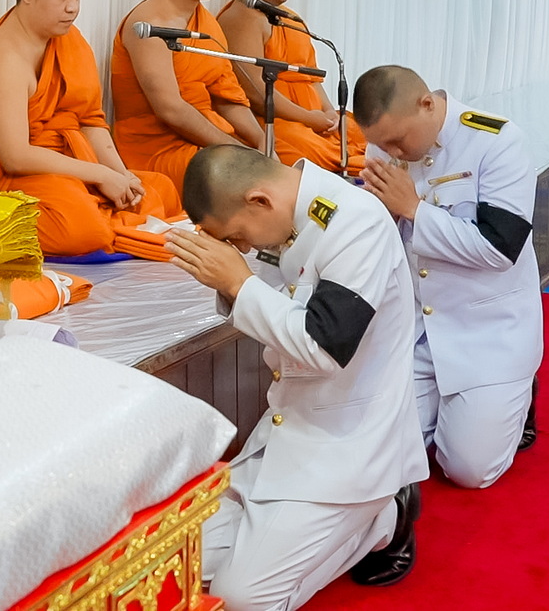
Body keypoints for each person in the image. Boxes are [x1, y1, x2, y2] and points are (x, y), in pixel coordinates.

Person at [167, 145, 427, 611]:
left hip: (347, 447)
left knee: (241, 601)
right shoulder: (288, 218)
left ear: (259, 200)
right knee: (179, 561)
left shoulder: (357, 223)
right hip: (287, 429)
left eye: (237, 235)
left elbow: (325, 348)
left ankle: (384, 518)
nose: (243, 248)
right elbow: (277, 310)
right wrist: (234, 283)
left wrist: (238, 282)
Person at [354, 65, 543, 490]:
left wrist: (413, 209)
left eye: (398, 141)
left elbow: (500, 250)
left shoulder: (496, 141)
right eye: (381, 145)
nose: (392, 153)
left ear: (427, 104)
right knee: (379, 452)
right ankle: (459, 408)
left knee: (469, 471)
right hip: (418, 330)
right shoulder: (382, 146)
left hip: (487, 333)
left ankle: (518, 393)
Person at [0, 0, 180, 259]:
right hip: (7, 179)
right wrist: (99, 175)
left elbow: (90, 121)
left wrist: (120, 174)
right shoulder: (4, 56)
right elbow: (15, 156)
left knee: (160, 190)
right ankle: (111, 223)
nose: (73, 7)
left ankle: (111, 217)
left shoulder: (70, 40)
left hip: (66, 168)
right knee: (81, 226)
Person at [111, 0, 263, 199]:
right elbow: (170, 109)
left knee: (276, 165)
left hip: (206, 141)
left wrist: (262, 141)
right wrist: (235, 151)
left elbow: (226, 97)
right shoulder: (149, 23)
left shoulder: (207, 25)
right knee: (244, 181)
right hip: (155, 151)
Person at [217, 0, 365, 174]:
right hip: (276, 120)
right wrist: (309, 118)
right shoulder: (242, 19)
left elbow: (311, 78)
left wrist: (329, 113)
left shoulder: (289, 18)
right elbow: (257, 93)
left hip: (315, 119)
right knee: (314, 153)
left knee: (364, 132)